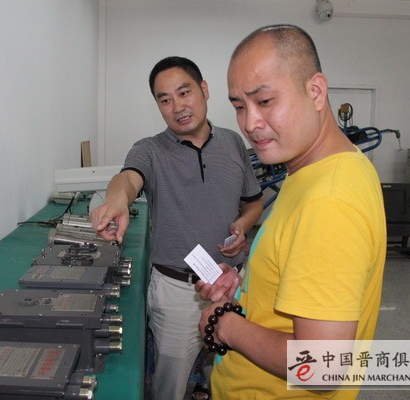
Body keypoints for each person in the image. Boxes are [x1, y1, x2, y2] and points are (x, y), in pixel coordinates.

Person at [196, 25, 386, 400]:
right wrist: (246, 287)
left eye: (265, 101)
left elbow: (322, 367)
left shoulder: (327, 202)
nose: (249, 123)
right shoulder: (325, 168)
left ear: (315, 91)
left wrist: (226, 325)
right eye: (239, 106)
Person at [90, 56, 264, 400]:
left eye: (184, 93)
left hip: (232, 284)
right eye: (165, 99)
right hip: (177, 292)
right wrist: (116, 200)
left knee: (232, 373)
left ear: (204, 89)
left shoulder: (233, 143)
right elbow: (128, 178)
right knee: (170, 385)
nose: (177, 107)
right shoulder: (150, 150)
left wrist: (242, 225)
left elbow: (253, 202)